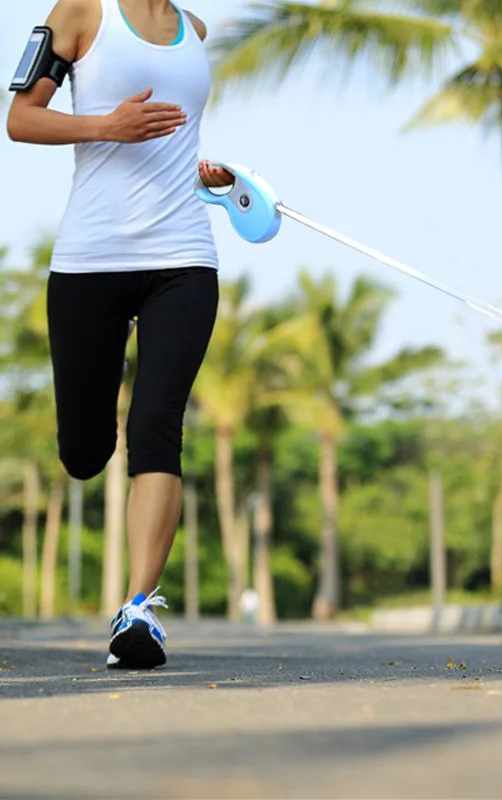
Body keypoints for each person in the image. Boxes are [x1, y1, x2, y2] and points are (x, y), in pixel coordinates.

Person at [6, 0, 234, 670]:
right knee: (84, 451)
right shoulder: (80, 11)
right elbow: (19, 120)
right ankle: (88, 444)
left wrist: (206, 176)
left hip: (185, 256)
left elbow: (174, 142)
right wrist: (109, 126)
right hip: (90, 259)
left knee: (157, 424)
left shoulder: (195, 31)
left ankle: (138, 610)